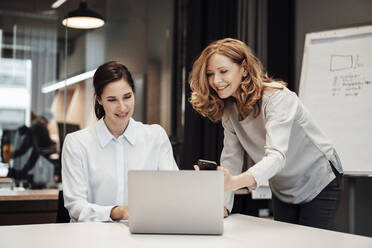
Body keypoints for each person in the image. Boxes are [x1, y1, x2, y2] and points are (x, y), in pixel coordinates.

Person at [189, 38, 343, 230]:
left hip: (318, 177)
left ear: (244, 68)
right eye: (210, 74)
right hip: (283, 187)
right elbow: (231, 161)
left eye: (223, 71)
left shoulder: (277, 98)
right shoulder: (230, 112)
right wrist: (222, 206)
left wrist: (234, 182)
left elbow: (277, 156)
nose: (216, 81)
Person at [62, 61, 178, 222]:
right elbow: (76, 206)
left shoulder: (155, 136)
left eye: (127, 97)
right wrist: (118, 212)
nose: (122, 107)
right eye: (112, 100)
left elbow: (173, 192)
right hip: (93, 238)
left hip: (144, 236)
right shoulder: (76, 143)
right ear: (99, 99)